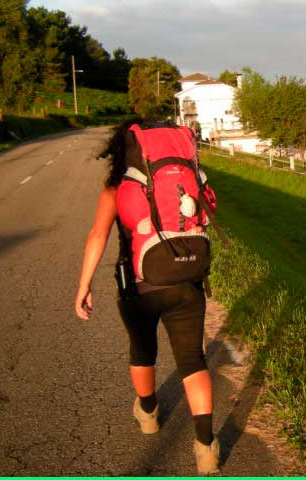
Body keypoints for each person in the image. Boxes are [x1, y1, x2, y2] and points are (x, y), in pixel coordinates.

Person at [75, 119, 219, 474]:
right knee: (193, 362)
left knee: (143, 351)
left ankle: (149, 412)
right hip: (187, 283)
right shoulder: (185, 179)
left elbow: (97, 235)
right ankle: (206, 448)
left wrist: (84, 285)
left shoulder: (117, 189)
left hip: (138, 287)